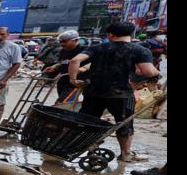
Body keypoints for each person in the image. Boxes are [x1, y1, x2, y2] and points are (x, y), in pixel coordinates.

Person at [66, 21, 160, 162]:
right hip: (122, 94)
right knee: (124, 123)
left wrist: (73, 80)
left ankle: (89, 146)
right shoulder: (140, 50)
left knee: (88, 120)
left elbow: (74, 61)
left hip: (93, 91)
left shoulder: (97, 47)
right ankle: (125, 154)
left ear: (110, 34)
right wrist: (156, 73)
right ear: (131, 34)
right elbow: (148, 72)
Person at [40, 29, 83, 103]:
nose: (62, 44)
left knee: (64, 102)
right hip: (63, 80)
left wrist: (81, 70)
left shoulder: (83, 51)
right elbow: (62, 62)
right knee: (66, 102)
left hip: (75, 82)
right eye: (61, 41)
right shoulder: (63, 50)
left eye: (65, 41)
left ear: (75, 40)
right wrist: (55, 66)